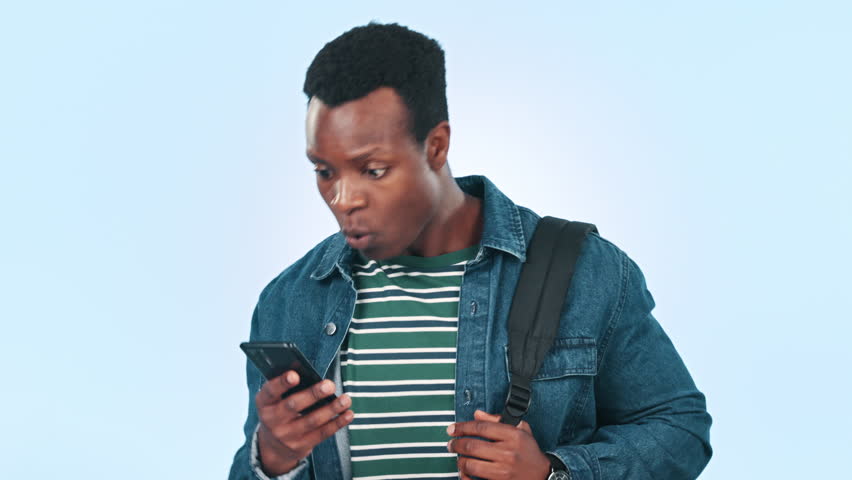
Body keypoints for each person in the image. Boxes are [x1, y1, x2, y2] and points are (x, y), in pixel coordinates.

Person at [228, 22, 712, 480]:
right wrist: (273, 457)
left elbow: (681, 429)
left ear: (436, 147)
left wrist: (551, 471)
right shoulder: (290, 299)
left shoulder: (585, 270)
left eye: (373, 170)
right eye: (324, 171)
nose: (344, 198)